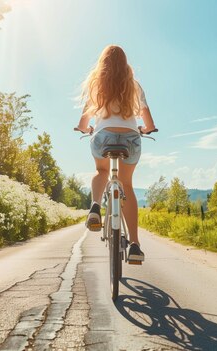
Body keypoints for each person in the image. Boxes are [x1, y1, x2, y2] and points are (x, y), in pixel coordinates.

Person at [75, 45, 156, 262]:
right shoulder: (134, 86)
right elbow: (149, 123)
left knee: (102, 171)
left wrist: (87, 129)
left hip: (103, 137)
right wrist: (144, 129)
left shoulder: (96, 85)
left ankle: (94, 207)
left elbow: (83, 123)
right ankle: (136, 246)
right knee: (126, 184)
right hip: (130, 138)